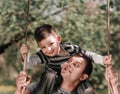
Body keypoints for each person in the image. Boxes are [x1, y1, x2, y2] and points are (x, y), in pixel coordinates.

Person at [20, 24, 110, 94]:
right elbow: (28, 64)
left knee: (87, 86)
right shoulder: (43, 55)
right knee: (48, 75)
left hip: (70, 78)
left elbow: (88, 55)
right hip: (54, 79)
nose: (48, 49)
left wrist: (102, 60)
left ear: (58, 39)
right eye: (43, 47)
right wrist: (25, 56)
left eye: (51, 43)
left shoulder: (70, 48)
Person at [15, 54, 96, 94]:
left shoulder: (85, 91)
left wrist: (109, 81)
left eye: (76, 65)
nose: (69, 64)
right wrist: (19, 89)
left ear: (83, 77)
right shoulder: (44, 84)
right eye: (69, 61)